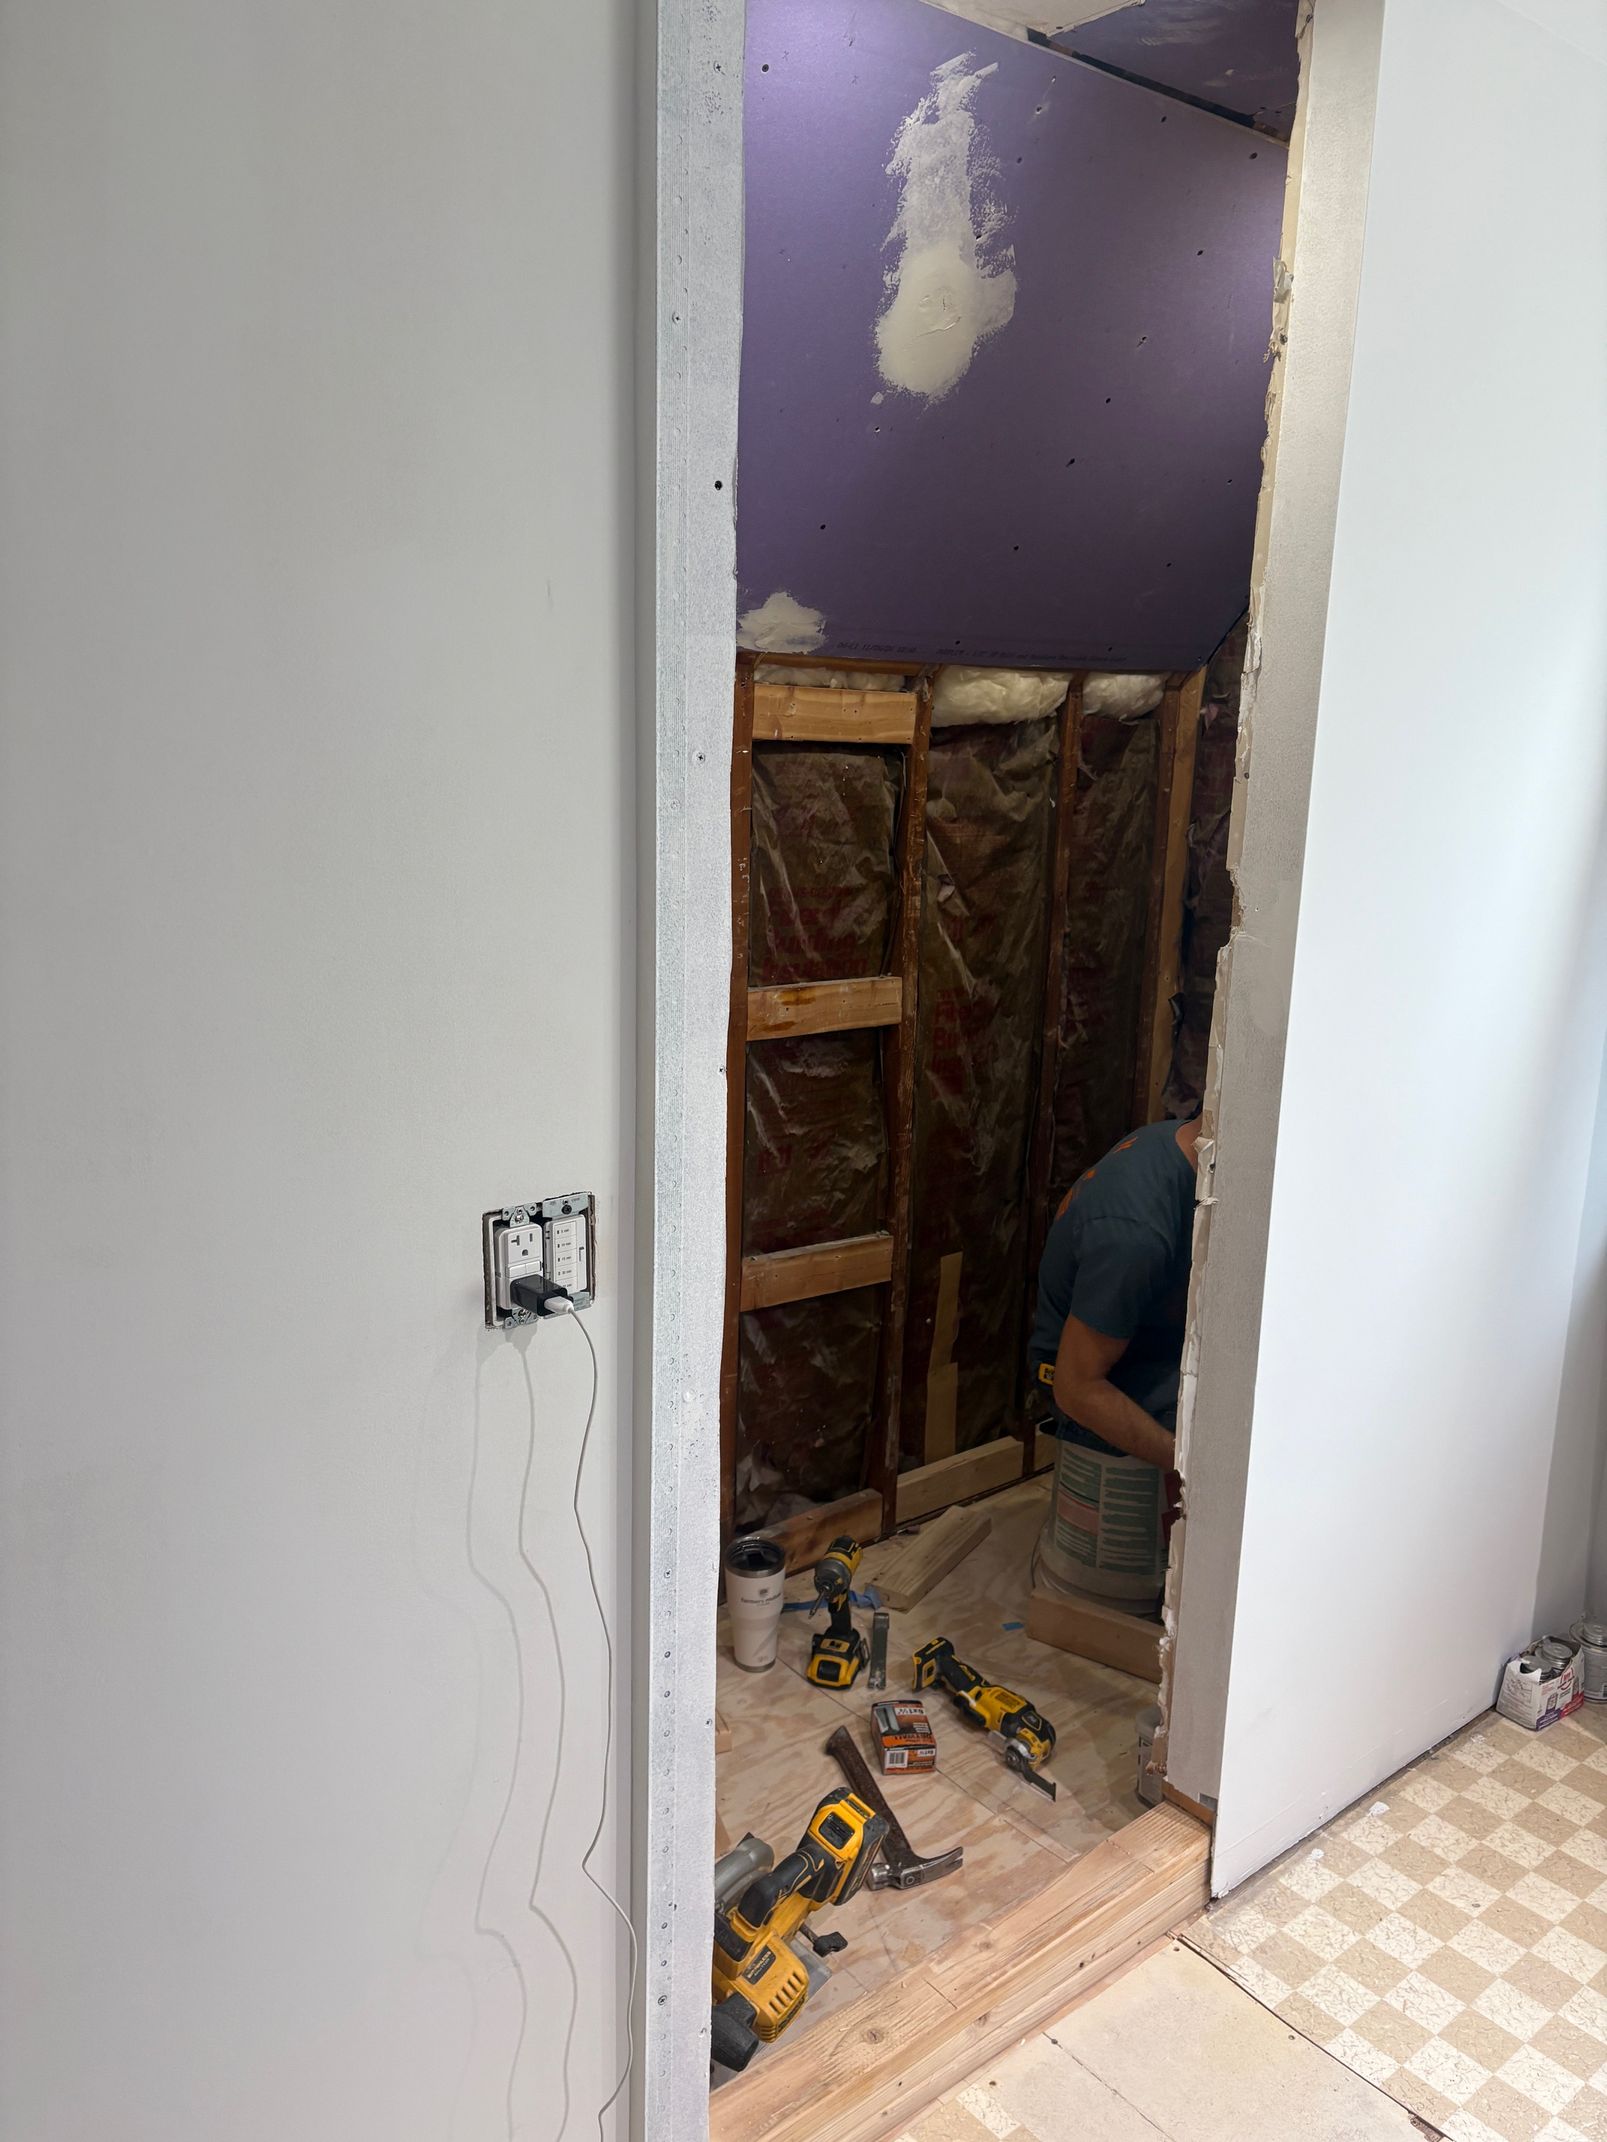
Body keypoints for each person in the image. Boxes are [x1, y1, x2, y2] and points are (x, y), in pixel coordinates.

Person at [1028, 1115, 1202, 1479]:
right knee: (1225, 1420)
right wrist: (1195, 1472)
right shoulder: (1135, 1234)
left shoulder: (1179, 1139)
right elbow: (1076, 1389)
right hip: (1080, 1374)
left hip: (1137, 1336)